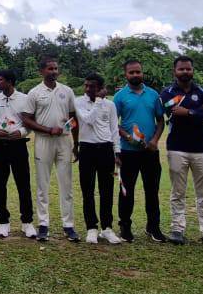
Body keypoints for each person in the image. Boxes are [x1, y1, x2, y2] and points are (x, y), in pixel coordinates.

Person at [160, 56, 203, 245]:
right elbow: (173, 113)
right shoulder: (167, 93)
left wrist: (191, 112)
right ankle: (177, 229)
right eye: (181, 69)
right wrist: (201, 109)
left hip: (201, 148)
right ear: (174, 71)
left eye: (188, 69)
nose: (185, 72)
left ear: (193, 70)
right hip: (177, 147)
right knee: (178, 192)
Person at [23, 57, 80, 242]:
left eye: (55, 68)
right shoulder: (34, 92)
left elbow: (74, 118)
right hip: (43, 141)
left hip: (64, 141)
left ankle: (68, 225)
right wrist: (48, 129)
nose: (53, 71)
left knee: (66, 184)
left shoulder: (67, 91)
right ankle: (43, 224)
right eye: (50, 69)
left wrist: (76, 143)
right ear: (42, 71)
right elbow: (27, 119)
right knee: (42, 185)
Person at [113, 58, 165, 242]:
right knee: (126, 191)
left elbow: (160, 120)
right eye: (131, 72)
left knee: (152, 191)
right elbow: (114, 124)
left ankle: (153, 228)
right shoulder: (119, 97)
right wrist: (127, 137)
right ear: (126, 75)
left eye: (138, 72)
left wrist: (155, 140)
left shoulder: (152, 94)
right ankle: (125, 228)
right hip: (128, 151)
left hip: (150, 151)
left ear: (142, 73)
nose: (136, 75)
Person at [74, 73, 122, 244]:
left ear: (100, 88)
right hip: (87, 148)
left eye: (92, 86)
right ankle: (91, 228)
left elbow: (114, 128)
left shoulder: (110, 105)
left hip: (106, 149)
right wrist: (98, 102)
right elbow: (88, 120)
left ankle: (107, 228)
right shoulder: (79, 101)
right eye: (86, 85)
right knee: (88, 190)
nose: (88, 89)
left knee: (106, 190)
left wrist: (117, 152)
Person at [0, 69, 34, 239]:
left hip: (19, 146)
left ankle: (27, 222)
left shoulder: (24, 99)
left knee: (23, 183)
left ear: (9, 82)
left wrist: (21, 132)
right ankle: (3, 221)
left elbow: (30, 122)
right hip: (0, 145)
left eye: (0, 79)